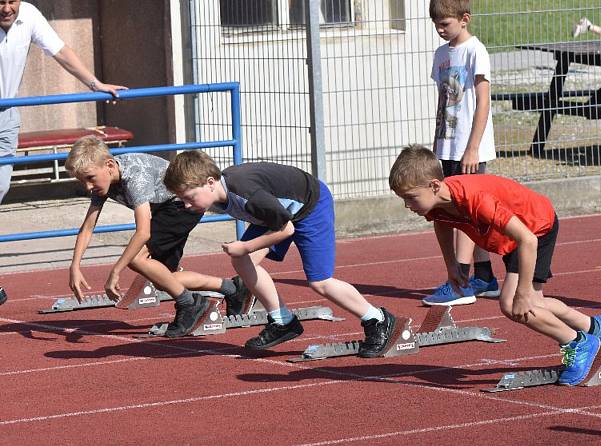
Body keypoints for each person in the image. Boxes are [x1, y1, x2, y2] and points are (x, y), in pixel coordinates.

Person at [389, 145, 601, 385]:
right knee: (535, 303)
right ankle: (597, 326)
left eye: (410, 197)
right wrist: (452, 266)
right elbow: (443, 224)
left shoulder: (475, 199)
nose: (407, 205)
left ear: (434, 185)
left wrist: (522, 292)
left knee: (513, 304)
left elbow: (528, 240)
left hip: (535, 228)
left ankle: (579, 343)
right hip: (515, 239)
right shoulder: (437, 203)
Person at [163, 150, 400, 358]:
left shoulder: (244, 193)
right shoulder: (217, 194)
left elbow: (286, 229)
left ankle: (377, 319)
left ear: (210, 182)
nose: (186, 204)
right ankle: (282, 320)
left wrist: (246, 246)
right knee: (242, 262)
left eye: (189, 197)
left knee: (320, 281)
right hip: (278, 214)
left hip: (309, 207)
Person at [65, 136, 250, 337]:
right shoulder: (103, 181)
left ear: (109, 165)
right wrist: (75, 266)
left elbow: (143, 232)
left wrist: (116, 271)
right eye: (82, 181)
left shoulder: (135, 176)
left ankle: (190, 305)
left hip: (182, 205)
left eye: (90, 178)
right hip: (164, 211)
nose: (87, 187)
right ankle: (233, 288)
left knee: (137, 259)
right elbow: (88, 227)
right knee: (164, 279)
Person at [0, 0, 126, 204]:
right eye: (0, 2)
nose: (6, 9)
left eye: (11, 1)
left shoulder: (29, 14)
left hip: (7, 113)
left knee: (1, 185)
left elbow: (61, 51)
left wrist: (96, 84)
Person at [426, 0, 499, 306]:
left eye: (445, 24)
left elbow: (483, 101)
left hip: (469, 148)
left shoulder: (475, 51)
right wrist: (436, 145)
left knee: (466, 214)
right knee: (456, 213)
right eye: (436, 25)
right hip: (446, 145)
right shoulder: (442, 54)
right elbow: (444, 104)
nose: (440, 30)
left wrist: (472, 147)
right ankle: (484, 277)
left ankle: (461, 281)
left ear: (464, 19)